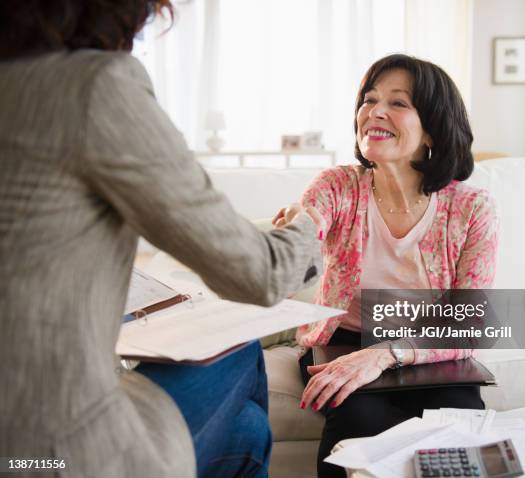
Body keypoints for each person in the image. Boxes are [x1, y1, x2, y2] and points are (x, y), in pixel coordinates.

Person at [0, 1, 322, 477]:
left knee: (250, 431)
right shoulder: (95, 86)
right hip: (51, 445)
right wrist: (311, 225)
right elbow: (262, 273)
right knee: (242, 351)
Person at [274, 54, 499, 477]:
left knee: (457, 432)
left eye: (398, 103)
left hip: (431, 350)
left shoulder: (472, 209)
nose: (374, 111)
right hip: (346, 343)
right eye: (369, 99)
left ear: (432, 127)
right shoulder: (338, 185)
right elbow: (308, 226)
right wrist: (295, 233)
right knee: (358, 428)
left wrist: (386, 355)